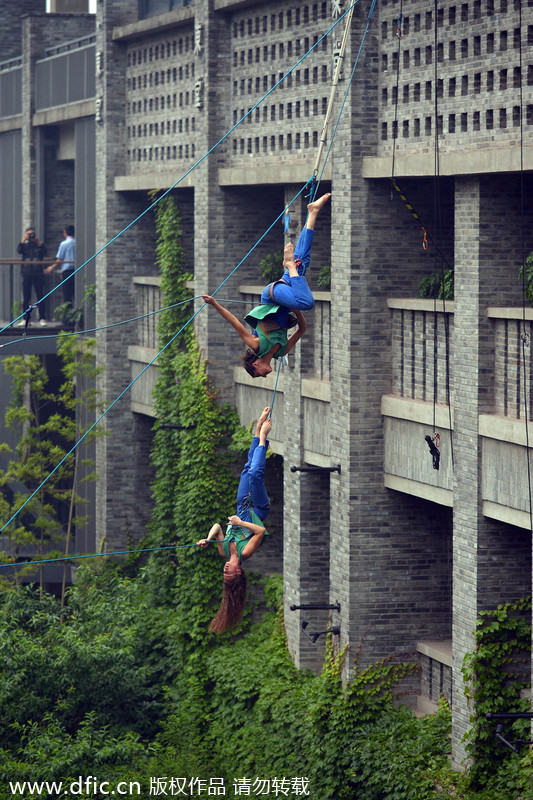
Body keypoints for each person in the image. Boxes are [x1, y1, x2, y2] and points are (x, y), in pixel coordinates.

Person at [202, 192, 331, 378]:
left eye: (260, 374)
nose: (265, 375)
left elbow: (234, 322)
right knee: (302, 260)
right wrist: (294, 308)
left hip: (272, 295)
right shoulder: (282, 352)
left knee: (307, 302)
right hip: (286, 299)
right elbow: (302, 329)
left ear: (256, 364)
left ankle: (288, 265)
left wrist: (214, 304)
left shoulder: (256, 344)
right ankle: (313, 212)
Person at [197, 407, 273, 634]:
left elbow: (218, 527)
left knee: (248, 469)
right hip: (258, 508)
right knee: (256, 475)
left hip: (241, 506)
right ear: (238, 572)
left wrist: (207, 538)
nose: (226, 568)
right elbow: (260, 531)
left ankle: (258, 431)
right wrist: (240, 524)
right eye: (229, 572)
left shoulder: (222, 550)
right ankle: (263, 436)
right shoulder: (245, 553)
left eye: (224, 572)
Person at [16, 227, 47, 326]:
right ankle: (26, 319)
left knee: (40, 295)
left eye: (32, 234)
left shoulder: (38, 245)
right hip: (27, 273)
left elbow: (44, 251)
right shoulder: (25, 246)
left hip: (37, 273)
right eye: (29, 234)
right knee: (26, 296)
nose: (31, 236)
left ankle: (42, 318)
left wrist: (38, 241)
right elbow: (19, 250)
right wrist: (24, 239)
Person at [44, 225, 76, 316]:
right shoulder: (77, 242)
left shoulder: (64, 244)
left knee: (67, 296)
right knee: (75, 294)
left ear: (65, 232)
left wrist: (52, 267)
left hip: (67, 271)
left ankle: (68, 318)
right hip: (76, 270)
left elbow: (60, 259)